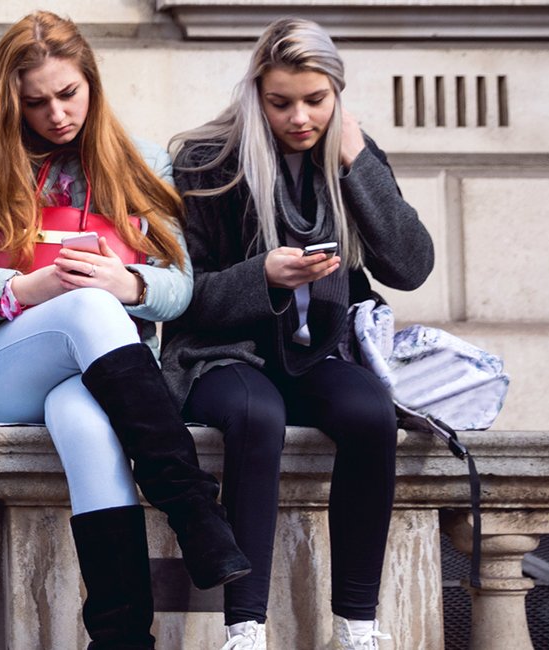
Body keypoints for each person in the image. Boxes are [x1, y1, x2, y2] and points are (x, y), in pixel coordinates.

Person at [0, 11, 249, 648]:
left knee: (88, 425)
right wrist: (24, 289)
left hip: (96, 375)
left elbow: (180, 287)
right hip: (4, 368)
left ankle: (121, 635)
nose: (56, 114)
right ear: (12, 103)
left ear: (92, 82)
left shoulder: (142, 162)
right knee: (89, 310)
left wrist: (131, 285)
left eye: (68, 94)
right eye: (36, 102)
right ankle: (193, 509)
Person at [166, 17, 432, 650]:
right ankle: (245, 626)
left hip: (318, 354)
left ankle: (358, 625)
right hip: (222, 355)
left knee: (371, 414)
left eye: (316, 101)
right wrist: (261, 276)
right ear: (257, 92)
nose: (300, 117)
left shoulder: (353, 157)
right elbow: (183, 297)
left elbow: (411, 265)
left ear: (337, 94)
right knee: (257, 417)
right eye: (281, 102)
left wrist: (355, 162)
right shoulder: (208, 163)